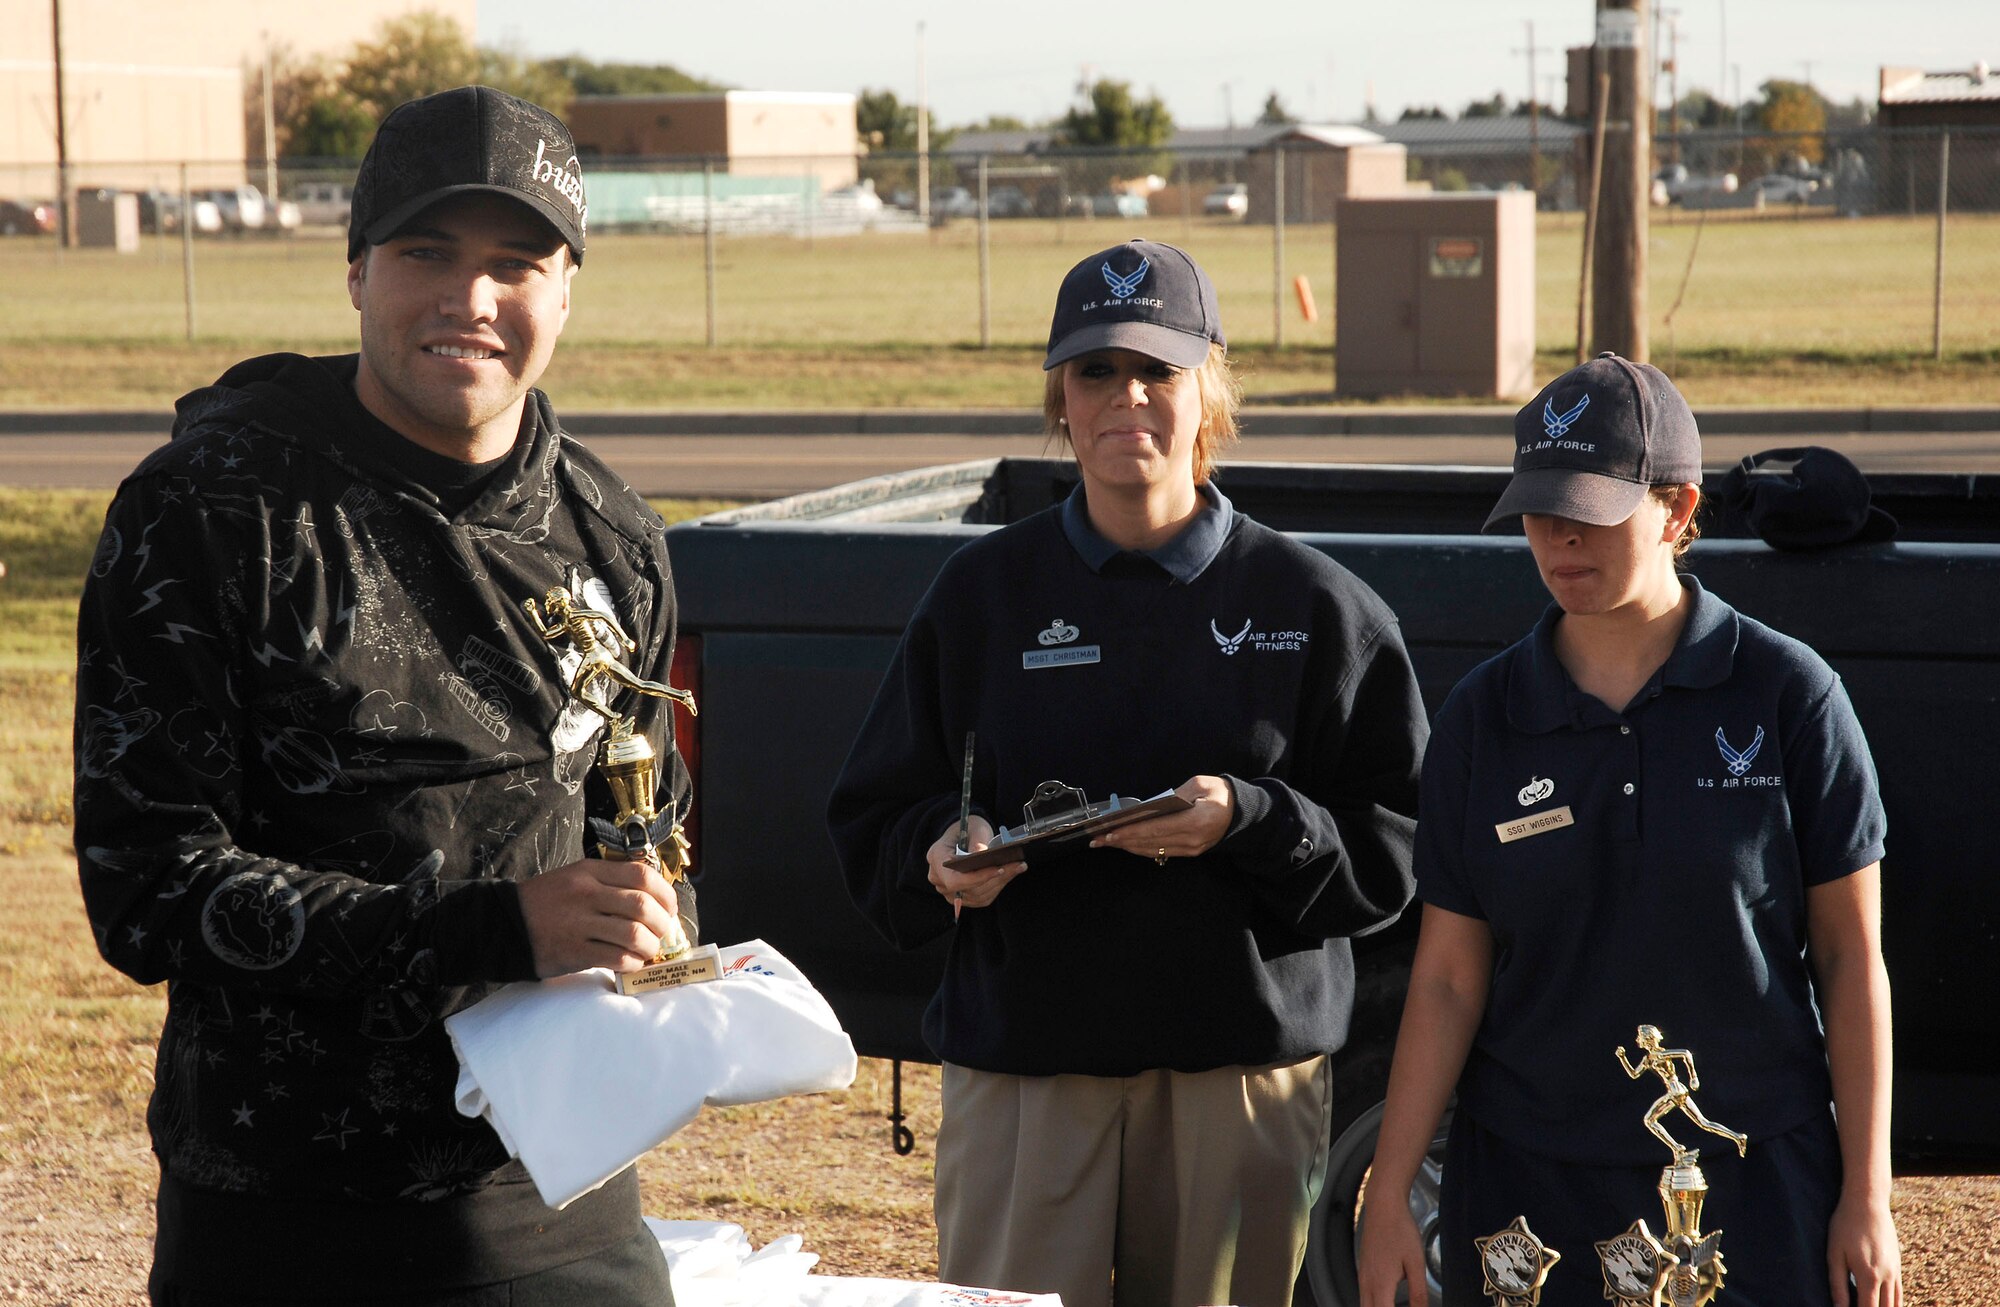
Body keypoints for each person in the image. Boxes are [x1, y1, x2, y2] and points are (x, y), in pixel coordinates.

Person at [74, 86, 689, 1305]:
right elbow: (146, 887)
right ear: (356, 269)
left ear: (567, 289)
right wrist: (490, 930)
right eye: (427, 253)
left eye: (517, 263)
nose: (472, 298)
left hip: (563, 1220)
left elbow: (648, 836)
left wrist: (667, 948)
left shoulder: (614, 538)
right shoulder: (210, 512)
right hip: (284, 1222)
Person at [828, 239, 1429, 1307]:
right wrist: (940, 851)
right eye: (1095, 370)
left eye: (1158, 369)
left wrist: (1250, 817)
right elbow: (874, 813)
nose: (1127, 397)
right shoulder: (980, 596)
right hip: (1027, 1071)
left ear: (1209, 391)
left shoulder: (1315, 605)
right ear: (1060, 399)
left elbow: (1394, 851)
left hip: (1237, 1078)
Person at [1356, 354, 1901, 1307]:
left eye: (1591, 510)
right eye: (1538, 510)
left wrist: (1868, 1193)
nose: (1560, 537)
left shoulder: (1789, 696)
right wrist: (1390, 1189)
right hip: (1528, 1187)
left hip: (1751, 1183)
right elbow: (1446, 977)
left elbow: (1850, 960)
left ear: (1678, 509)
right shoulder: (1485, 716)